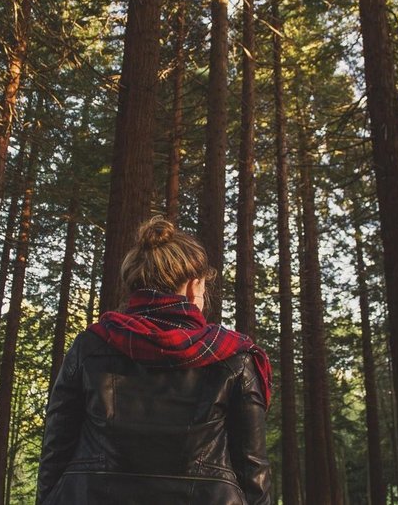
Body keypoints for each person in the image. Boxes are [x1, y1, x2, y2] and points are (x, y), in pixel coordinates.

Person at [37, 216, 272, 505]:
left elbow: (56, 451)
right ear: (192, 286)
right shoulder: (234, 357)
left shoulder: (91, 346)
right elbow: (253, 470)